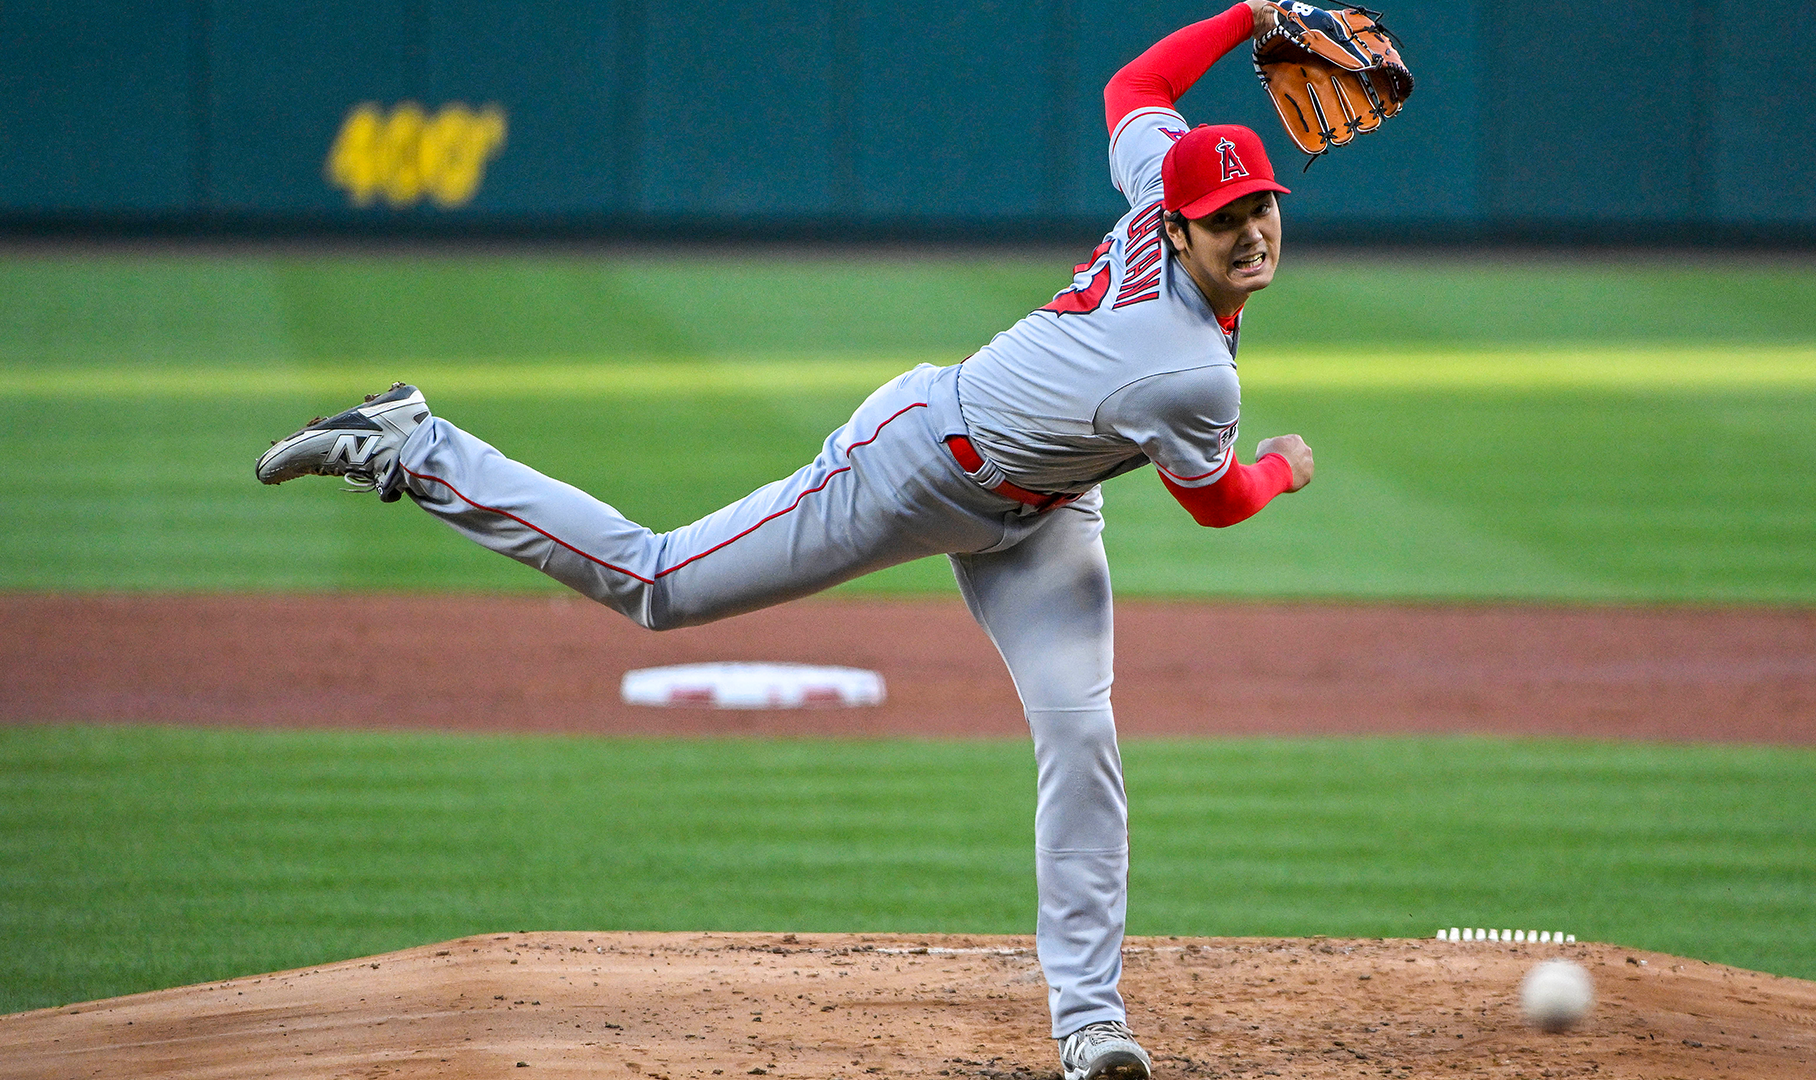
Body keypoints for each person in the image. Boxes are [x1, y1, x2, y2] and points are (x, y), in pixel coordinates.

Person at [256, 4, 1310, 1077]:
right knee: (657, 582)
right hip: (914, 465)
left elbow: (1131, 90)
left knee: (1082, 741)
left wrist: (1249, 17)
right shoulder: (1189, 373)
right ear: (1177, 229)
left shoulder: (1157, 192)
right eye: (1229, 217)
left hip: (1046, 513)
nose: (1254, 231)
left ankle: (1091, 1027)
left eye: (1263, 206)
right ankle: (413, 446)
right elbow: (1219, 500)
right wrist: (1282, 467)